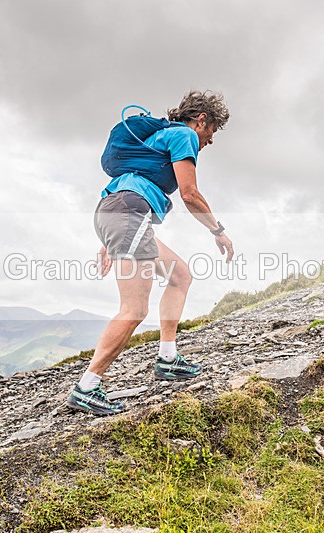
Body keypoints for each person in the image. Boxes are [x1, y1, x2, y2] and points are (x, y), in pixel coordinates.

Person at [68, 91, 234, 416]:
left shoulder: (159, 137)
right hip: (128, 215)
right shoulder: (184, 135)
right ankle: (86, 387)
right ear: (202, 120)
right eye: (212, 130)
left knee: (180, 275)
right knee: (134, 309)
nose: (210, 140)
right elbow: (190, 194)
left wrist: (109, 241)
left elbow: (131, 185)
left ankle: (167, 359)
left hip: (122, 213)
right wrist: (218, 231)